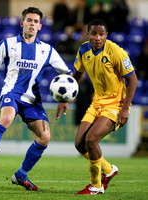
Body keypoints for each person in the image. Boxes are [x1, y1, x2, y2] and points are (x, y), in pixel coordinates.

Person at [0, 7, 72, 191]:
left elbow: (67, 73)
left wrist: (65, 99)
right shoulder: (7, 44)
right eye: (29, 20)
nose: (32, 24)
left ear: (40, 26)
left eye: (35, 21)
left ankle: (21, 175)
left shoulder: (47, 50)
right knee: (7, 118)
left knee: (45, 137)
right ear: (22, 23)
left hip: (32, 100)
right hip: (11, 92)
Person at [56, 19, 138, 195]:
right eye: (94, 33)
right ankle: (109, 170)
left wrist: (125, 108)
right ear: (88, 34)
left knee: (91, 140)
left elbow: (133, 80)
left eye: (101, 34)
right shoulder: (84, 50)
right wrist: (65, 98)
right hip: (97, 102)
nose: (97, 37)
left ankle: (96, 185)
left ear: (106, 35)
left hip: (115, 104)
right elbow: (77, 75)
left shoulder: (116, 52)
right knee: (79, 144)